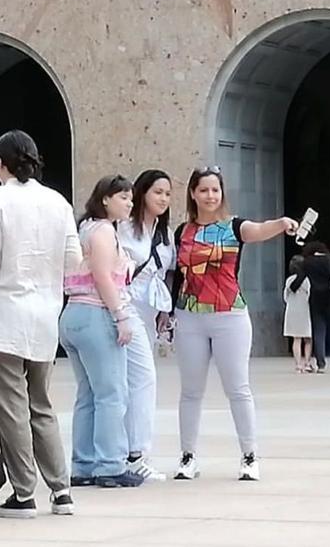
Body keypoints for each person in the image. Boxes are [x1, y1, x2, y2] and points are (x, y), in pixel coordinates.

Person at [0, 130, 78, 518]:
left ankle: (23, 491)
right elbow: (73, 261)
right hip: (45, 315)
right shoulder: (57, 201)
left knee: (10, 407)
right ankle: (61, 490)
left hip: (5, 316)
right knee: (41, 405)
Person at [169, 166, 298, 482]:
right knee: (191, 390)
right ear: (193, 194)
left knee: (238, 388)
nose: (210, 196)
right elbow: (172, 272)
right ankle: (188, 456)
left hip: (230, 314)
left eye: (215, 190)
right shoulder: (181, 231)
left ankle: (249, 455)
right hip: (190, 314)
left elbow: (260, 229)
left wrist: (282, 224)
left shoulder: (235, 227)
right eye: (204, 190)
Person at [60, 174, 144, 489]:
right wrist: (121, 316)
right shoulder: (104, 231)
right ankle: (110, 464)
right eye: (123, 197)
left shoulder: (85, 229)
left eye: (131, 198)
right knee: (112, 393)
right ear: (105, 198)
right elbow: (103, 277)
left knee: (89, 394)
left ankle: (83, 464)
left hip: (73, 314)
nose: (129, 203)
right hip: (96, 314)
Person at [116, 169, 175, 482]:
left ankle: (128, 451)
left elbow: (167, 273)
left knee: (134, 381)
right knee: (142, 379)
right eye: (157, 192)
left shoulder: (164, 235)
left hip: (151, 312)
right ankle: (136, 453)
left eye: (167, 194)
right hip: (126, 308)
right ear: (141, 193)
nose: (163, 199)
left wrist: (166, 312)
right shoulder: (124, 228)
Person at [293, 241, 330, 372]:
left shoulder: (307, 262)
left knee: (319, 331)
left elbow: (301, 277)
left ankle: (321, 364)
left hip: (315, 299)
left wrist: (293, 287)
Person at [283, 255, 313, 373]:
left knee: (296, 338)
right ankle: (307, 363)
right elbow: (309, 295)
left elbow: (285, 297)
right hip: (304, 310)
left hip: (292, 311)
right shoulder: (306, 280)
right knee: (308, 339)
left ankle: (298, 365)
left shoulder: (289, 280)